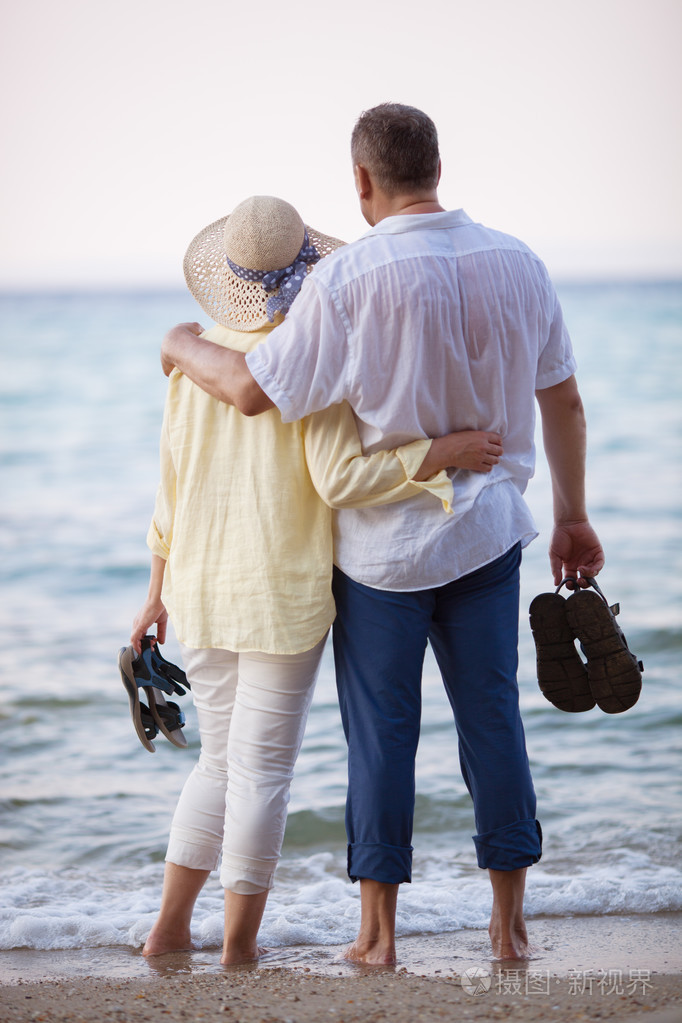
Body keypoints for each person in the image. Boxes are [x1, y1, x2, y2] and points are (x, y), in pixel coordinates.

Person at [159, 104, 605, 964]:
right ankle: (510, 928)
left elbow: (254, 390)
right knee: (493, 721)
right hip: (487, 538)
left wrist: (181, 344)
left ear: (361, 180)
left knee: (382, 735)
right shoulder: (521, 261)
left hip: (380, 556)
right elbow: (565, 400)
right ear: (437, 166)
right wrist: (572, 515)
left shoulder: (348, 280)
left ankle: (377, 935)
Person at [130, 194, 502, 965]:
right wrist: (443, 452)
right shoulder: (312, 355)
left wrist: (156, 587)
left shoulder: (192, 355)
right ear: (308, 264)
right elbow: (343, 480)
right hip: (279, 592)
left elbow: (170, 486)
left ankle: (167, 931)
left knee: (217, 761)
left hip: (196, 587)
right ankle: (238, 948)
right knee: (261, 769)